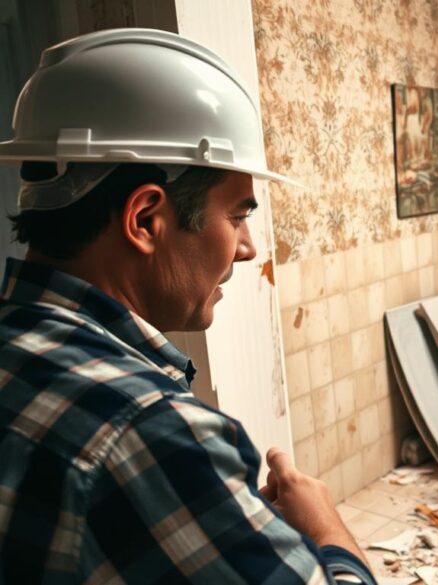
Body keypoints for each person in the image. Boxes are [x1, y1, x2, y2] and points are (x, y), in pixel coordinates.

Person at [0, 29, 375, 584]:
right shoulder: (150, 433)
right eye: (238, 216)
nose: (247, 249)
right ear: (146, 219)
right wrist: (323, 528)